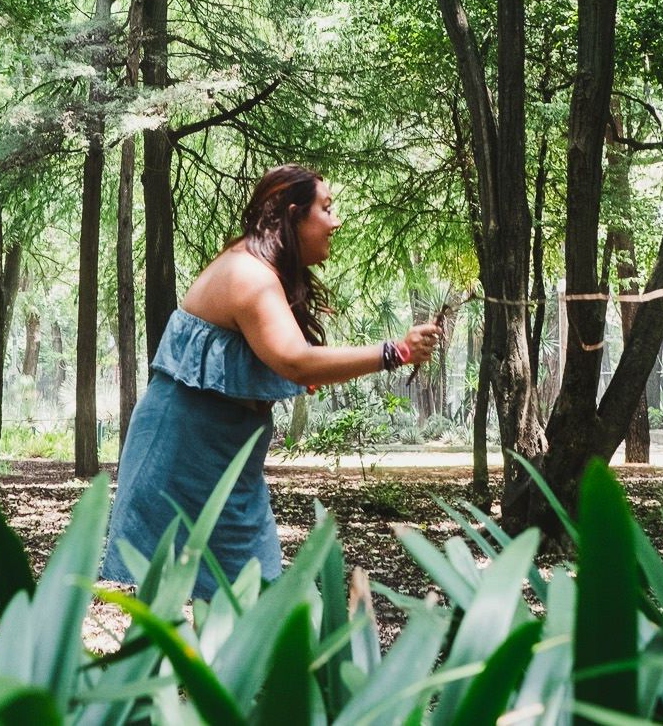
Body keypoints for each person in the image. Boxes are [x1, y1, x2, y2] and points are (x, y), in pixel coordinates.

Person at [102, 164, 443, 597]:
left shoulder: (267, 272)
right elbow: (295, 362)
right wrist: (396, 352)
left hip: (232, 460)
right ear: (294, 214)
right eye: (327, 208)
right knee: (173, 592)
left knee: (252, 590)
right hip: (179, 454)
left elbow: (282, 363)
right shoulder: (250, 275)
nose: (335, 221)